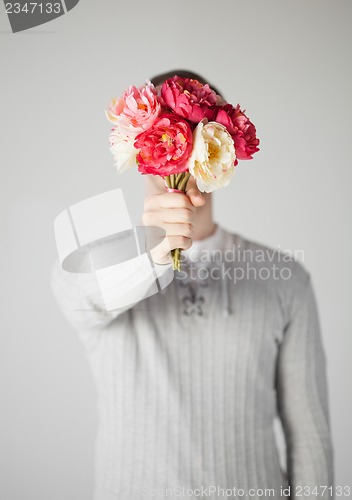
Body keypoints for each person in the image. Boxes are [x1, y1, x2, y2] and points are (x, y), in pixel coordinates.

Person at [50, 70, 334, 500]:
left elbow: (309, 437)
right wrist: (156, 252)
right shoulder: (96, 267)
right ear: (137, 145)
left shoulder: (286, 280)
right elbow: (77, 295)